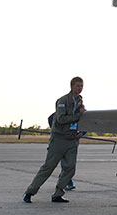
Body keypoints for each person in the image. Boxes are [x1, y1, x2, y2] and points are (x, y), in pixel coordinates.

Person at [23, 76, 85, 204]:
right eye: (78, 86)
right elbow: (61, 119)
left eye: (82, 86)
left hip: (71, 140)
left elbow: (82, 119)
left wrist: (81, 132)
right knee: (48, 167)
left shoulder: (79, 101)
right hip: (59, 139)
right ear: (72, 86)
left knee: (70, 168)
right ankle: (30, 191)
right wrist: (77, 116)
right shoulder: (62, 101)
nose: (80, 88)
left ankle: (58, 193)